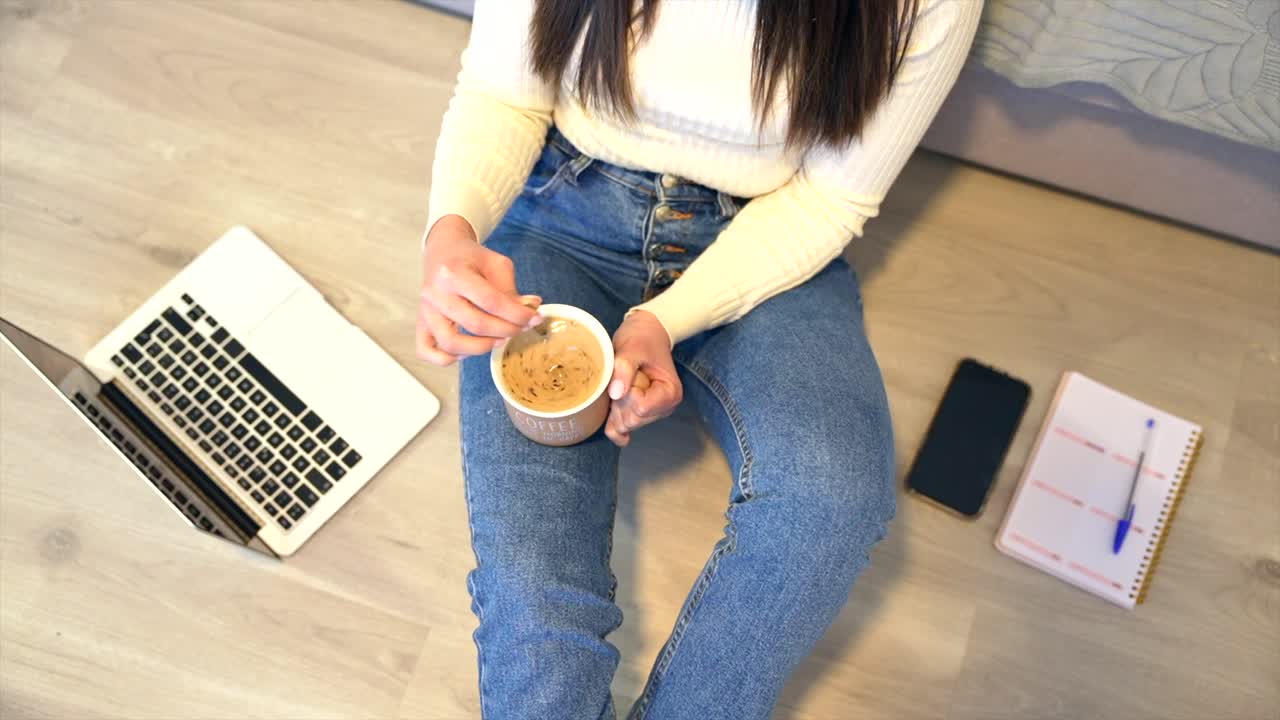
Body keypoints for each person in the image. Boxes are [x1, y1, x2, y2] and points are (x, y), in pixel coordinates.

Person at [417, 1, 980, 717]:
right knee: (538, 603)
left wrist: (666, 319)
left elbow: (831, 200)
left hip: (768, 231)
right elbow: (503, 93)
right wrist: (451, 231)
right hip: (564, 209)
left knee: (831, 497)